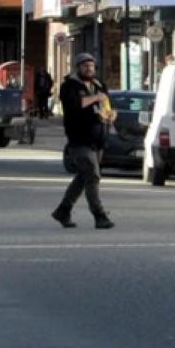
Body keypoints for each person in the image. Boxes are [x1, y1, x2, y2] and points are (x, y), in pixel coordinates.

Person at [52, 53, 115, 230]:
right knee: (93, 175)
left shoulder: (99, 85)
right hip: (79, 140)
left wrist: (111, 114)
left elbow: (108, 105)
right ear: (77, 68)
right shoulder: (69, 86)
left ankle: (63, 210)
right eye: (85, 66)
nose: (89, 69)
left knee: (83, 177)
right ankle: (99, 215)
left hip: (98, 139)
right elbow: (74, 105)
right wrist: (96, 98)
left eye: (92, 66)